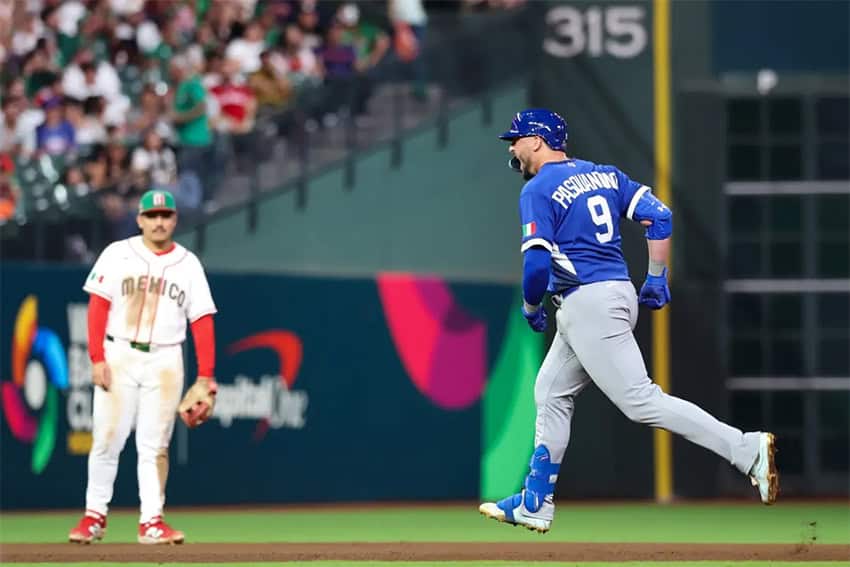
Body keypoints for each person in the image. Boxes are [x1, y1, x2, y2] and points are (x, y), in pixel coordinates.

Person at [478, 109, 779, 533]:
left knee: (641, 402)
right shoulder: (605, 175)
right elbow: (660, 218)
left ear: (539, 141)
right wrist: (656, 278)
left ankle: (745, 449)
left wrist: (530, 306)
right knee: (550, 392)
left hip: (589, 302)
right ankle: (535, 501)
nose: (512, 147)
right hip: (610, 294)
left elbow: (536, 269)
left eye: (518, 138)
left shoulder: (539, 189)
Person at [68, 190, 218, 545]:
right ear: (139, 220)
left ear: (175, 220)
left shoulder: (188, 263)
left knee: (155, 445)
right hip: (118, 353)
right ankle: (93, 517)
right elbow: (97, 306)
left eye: (165, 215)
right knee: (107, 439)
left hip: (166, 359)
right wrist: (96, 358)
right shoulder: (118, 254)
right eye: (152, 216)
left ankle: (152, 521)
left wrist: (207, 375)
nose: (159, 221)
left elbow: (202, 320)